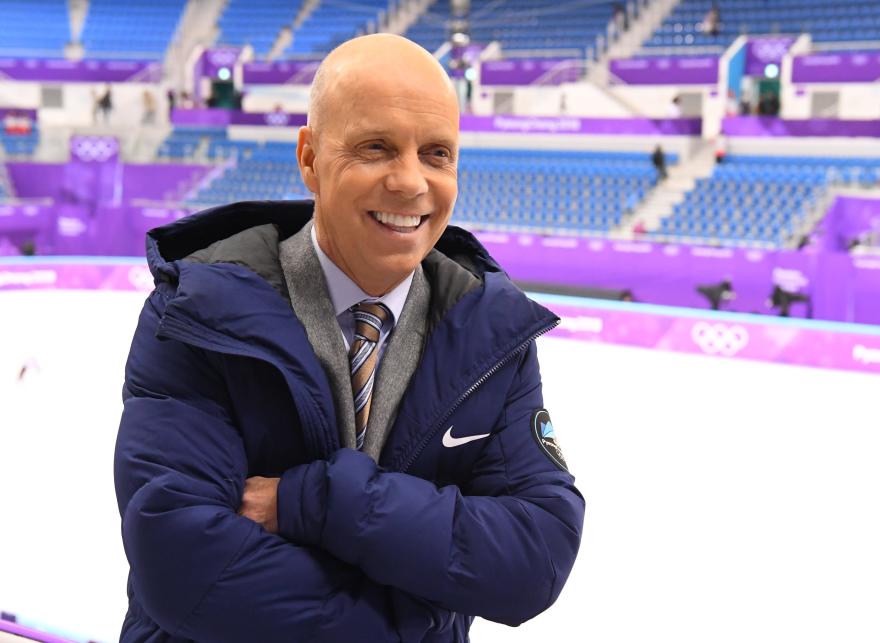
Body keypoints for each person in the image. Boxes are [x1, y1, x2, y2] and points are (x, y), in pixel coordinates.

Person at [114, 34, 585, 642]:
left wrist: (314, 501)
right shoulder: (197, 316)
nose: (412, 182)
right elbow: (186, 566)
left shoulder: (492, 336)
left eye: (437, 153)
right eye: (377, 148)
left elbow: (533, 557)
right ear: (309, 158)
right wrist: (415, 618)